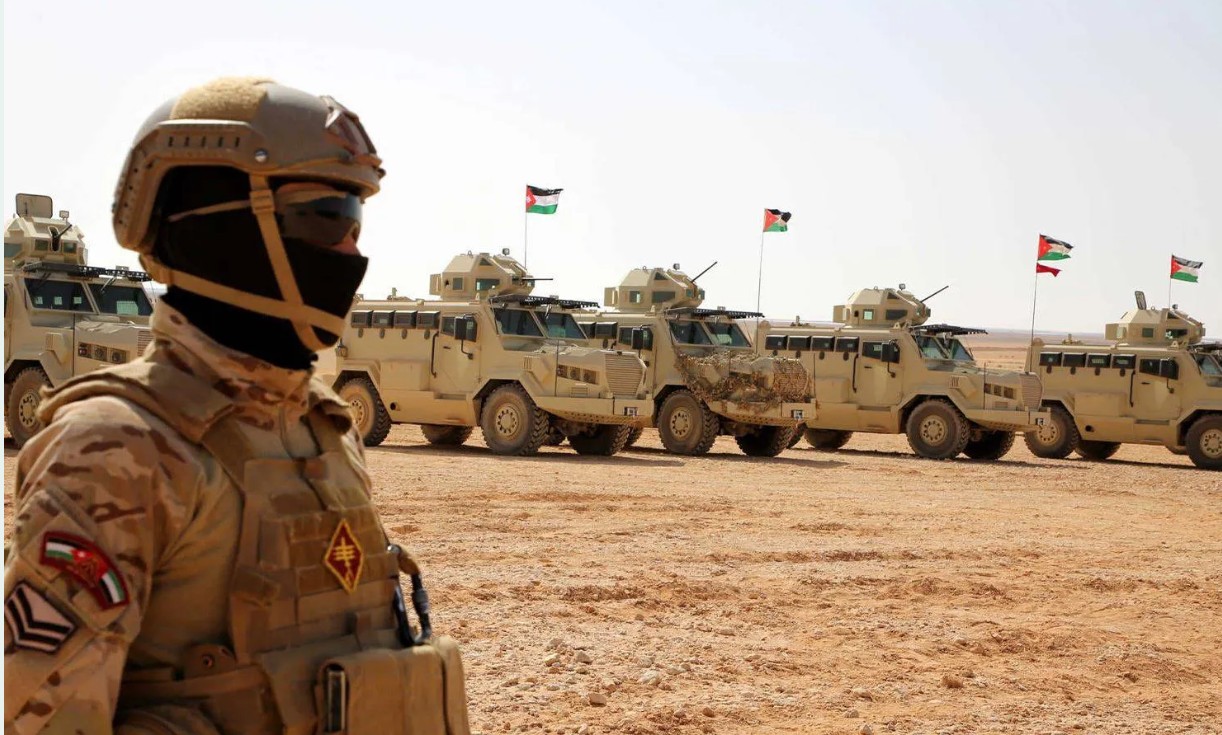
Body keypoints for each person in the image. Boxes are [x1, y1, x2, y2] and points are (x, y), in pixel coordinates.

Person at [4, 77, 469, 735]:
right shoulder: (115, 446)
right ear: (222, 232)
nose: (353, 252)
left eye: (355, 221)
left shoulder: (323, 425)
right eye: (328, 217)